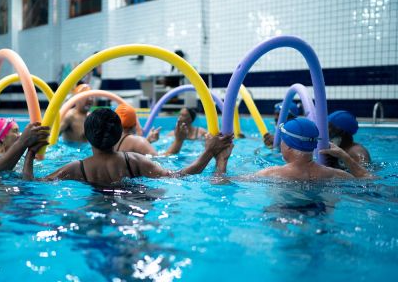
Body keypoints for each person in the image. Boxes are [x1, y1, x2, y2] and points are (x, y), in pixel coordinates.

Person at [23, 108, 233, 186]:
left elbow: (30, 183)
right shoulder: (135, 161)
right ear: (119, 133)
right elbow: (180, 175)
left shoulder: (75, 168)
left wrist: (30, 153)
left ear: (87, 137)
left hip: (96, 211)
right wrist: (208, 152)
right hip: (135, 206)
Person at [215, 118, 370, 180]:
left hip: (285, 220)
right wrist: (344, 156)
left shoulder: (272, 173)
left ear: (287, 145)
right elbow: (368, 179)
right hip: (320, 217)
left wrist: (222, 160)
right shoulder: (335, 174)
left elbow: (220, 182)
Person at [114, 103, 185, 156]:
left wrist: (147, 141)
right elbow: (160, 161)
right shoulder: (138, 141)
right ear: (135, 123)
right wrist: (179, 141)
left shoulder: (111, 140)